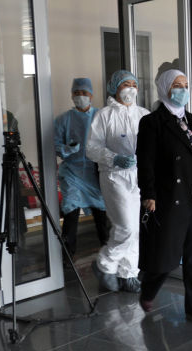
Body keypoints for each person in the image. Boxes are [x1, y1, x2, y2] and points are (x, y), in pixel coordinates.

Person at [136, 69, 192, 324]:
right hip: (168, 198)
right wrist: (148, 194)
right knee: (166, 255)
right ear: (165, 88)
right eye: (177, 85)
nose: (183, 90)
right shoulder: (152, 122)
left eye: (185, 85)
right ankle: (148, 290)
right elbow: (145, 162)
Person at [86, 70, 149, 293]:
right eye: (125, 84)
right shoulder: (104, 115)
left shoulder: (144, 114)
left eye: (134, 84)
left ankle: (128, 274)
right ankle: (104, 263)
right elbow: (91, 148)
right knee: (126, 227)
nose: (131, 88)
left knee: (135, 229)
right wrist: (114, 158)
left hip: (139, 176)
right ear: (114, 88)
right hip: (114, 177)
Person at [54, 78, 109, 259]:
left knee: (101, 217)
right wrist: (68, 149)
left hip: (95, 173)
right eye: (76, 93)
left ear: (91, 95)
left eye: (84, 93)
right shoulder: (63, 120)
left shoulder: (101, 116)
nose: (80, 96)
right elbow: (55, 145)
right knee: (71, 214)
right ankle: (67, 257)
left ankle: (109, 254)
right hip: (72, 174)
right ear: (71, 95)